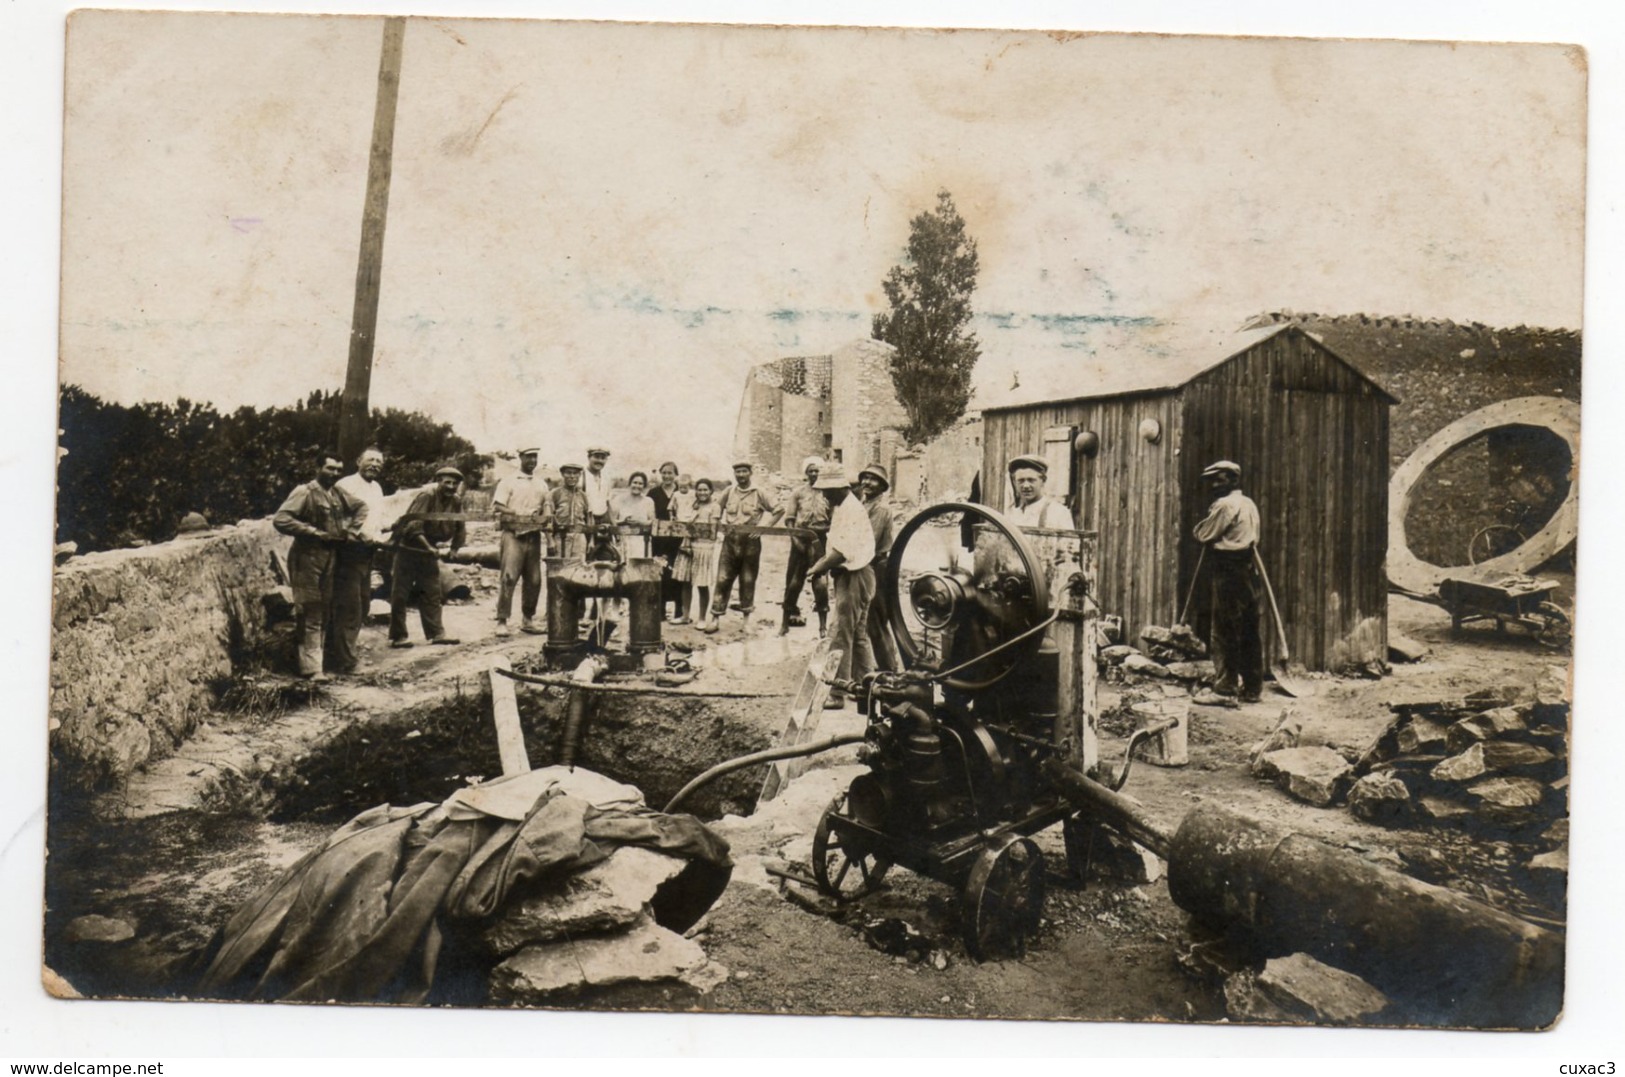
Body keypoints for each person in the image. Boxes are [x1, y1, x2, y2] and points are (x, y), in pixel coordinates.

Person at [273, 453, 365, 682]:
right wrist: (314, 532)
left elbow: (361, 507)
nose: (334, 473)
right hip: (307, 557)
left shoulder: (336, 492)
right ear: (318, 468)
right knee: (310, 610)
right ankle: (312, 669)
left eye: (338, 470)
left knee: (325, 609)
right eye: (330, 468)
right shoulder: (305, 492)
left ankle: (321, 664)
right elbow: (281, 519)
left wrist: (351, 531)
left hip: (330, 556)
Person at [1191, 459, 1264, 705]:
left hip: (1228, 570)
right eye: (1212, 479)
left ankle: (1225, 688)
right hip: (1248, 569)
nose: (1213, 484)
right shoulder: (1249, 503)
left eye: (1219, 478)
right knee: (1249, 629)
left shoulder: (1225, 505)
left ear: (1233, 480)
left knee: (1224, 629)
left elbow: (1203, 534)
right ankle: (1253, 688)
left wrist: (1204, 529)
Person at [806, 464, 876, 709]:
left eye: (827, 490)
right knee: (858, 636)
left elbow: (840, 552)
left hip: (855, 576)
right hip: (857, 575)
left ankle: (838, 692)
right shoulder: (844, 507)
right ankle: (868, 688)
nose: (824, 495)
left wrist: (818, 567)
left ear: (839, 487)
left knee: (841, 634)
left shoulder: (850, 511)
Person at [698, 461, 782, 633]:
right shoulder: (729, 492)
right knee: (723, 579)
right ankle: (715, 618)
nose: (741, 475)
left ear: (750, 473)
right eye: (738, 472)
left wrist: (763, 528)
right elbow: (716, 508)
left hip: (750, 543)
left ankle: (746, 620)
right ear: (734, 474)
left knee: (748, 580)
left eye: (744, 471)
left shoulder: (759, 492)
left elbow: (779, 510)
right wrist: (716, 527)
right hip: (730, 542)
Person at [389, 466, 466, 648]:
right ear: (439, 481)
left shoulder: (455, 501)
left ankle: (437, 633)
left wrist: (455, 548)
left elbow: (460, 525)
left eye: (455, 483)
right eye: (447, 482)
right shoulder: (427, 496)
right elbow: (413, 526)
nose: (451, 486)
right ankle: (398, 636)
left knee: (432, 593)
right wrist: (429, 547)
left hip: (428, 551)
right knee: (400, 594)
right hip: (408, 548)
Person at [331, 447, 389, 673]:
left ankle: (347, 653)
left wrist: (382, 536)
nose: (375, 464)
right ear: (358, 461)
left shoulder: (376, 488)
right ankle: (345, 661)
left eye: (379, 462)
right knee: (350, 605)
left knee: (364, 602)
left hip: (368, 551)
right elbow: (338, 518)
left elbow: (377, 519)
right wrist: (357, 535)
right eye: (370, 460)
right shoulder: (345, 485)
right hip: (348, 551)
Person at [492, 447, 549, 637]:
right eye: (529, 457)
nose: (532, 460)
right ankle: (502, 620)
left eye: (535, 457)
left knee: (534, 580)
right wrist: (515, 514)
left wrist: (542, 517)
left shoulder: (541, 484)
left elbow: (546, 508)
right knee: (509, 577)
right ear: (521, 458)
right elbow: (498, 505)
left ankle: (528, 619)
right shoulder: (508, 481)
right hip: (513, 535)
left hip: (533, 536)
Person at [857, 462, 902, 674]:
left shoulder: (881, 509)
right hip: (864, 565)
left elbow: (868, 541)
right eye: (865, 477)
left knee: (876, 621)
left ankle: (890, 671)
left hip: (876, 567)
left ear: (882, 486)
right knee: (863, 623)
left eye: (873, 479)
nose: (867, 482)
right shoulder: (863, 504)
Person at [780, 456, 831, 636]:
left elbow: (834, 519)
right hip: (800, 540)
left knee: (821, 584)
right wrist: (795, 540)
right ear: (806, 473)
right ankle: (784, 624)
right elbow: (789, 519)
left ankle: (823, 627)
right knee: (793, 582)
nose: (814, 474)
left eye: (817, 470)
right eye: (811, 471)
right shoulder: (798, 493)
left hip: (820, 540)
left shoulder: (829, 493)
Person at [673, 477, 721, 625]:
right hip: (687, 545)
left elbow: (712, 531)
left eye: (705, 489)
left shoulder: (715, 506)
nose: (702, 492)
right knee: (685, 582)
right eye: (699, 490)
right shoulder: (692, 505)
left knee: (701, 583)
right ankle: (685, 616)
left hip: (704, 547)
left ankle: (701, 618)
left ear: (711, 491)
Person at [648, 462, 685, 620]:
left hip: (679, 539)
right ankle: (661, 610)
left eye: (670, 473)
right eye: (664, 473)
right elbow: (649, 513)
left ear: (676, 474)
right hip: (659, 539)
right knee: (661, 572)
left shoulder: (682, 491)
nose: (667, 476)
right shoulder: (654, 492)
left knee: (679, 572)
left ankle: (679, 610)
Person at [1007, 454, 1076, 529]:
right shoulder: (1012, 515)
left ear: (1043, 480)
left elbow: (1069, 541)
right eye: (1021, 481)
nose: (1026, 486)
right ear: (1014, 482)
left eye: (1031, 480)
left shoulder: (1058, 513)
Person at [550, 461, 591, 561]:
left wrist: (591, 541)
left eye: (575, 473)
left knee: (579, 569)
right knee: (559, 570)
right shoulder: (555, 493)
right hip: (561, 537)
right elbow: (548, 518)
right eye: (568, 473)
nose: (572, 476)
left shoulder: (583, 496)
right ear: (562, 474)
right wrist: (550, 540)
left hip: (579, 537)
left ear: (579, 475)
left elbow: (589, 519)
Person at [583, 446, 614, 526]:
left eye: (603, 458)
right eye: (596, 457)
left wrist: (613, 523)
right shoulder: (581, 476)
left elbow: (608, 502)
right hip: (585, 520)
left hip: (603, 520)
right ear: (589, 457)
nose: (599, 461)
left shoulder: (606, 478)